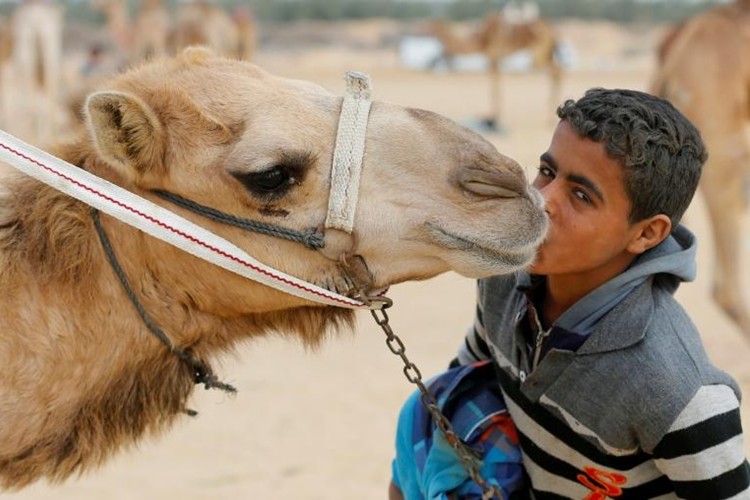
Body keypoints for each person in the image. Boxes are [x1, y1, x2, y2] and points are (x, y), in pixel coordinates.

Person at [391, 88, 750, 499]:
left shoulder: (679, 392)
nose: (542, 200)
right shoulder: (503, 278)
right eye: (547, 170)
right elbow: (465, 387)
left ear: (647, 233)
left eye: (581, 196)